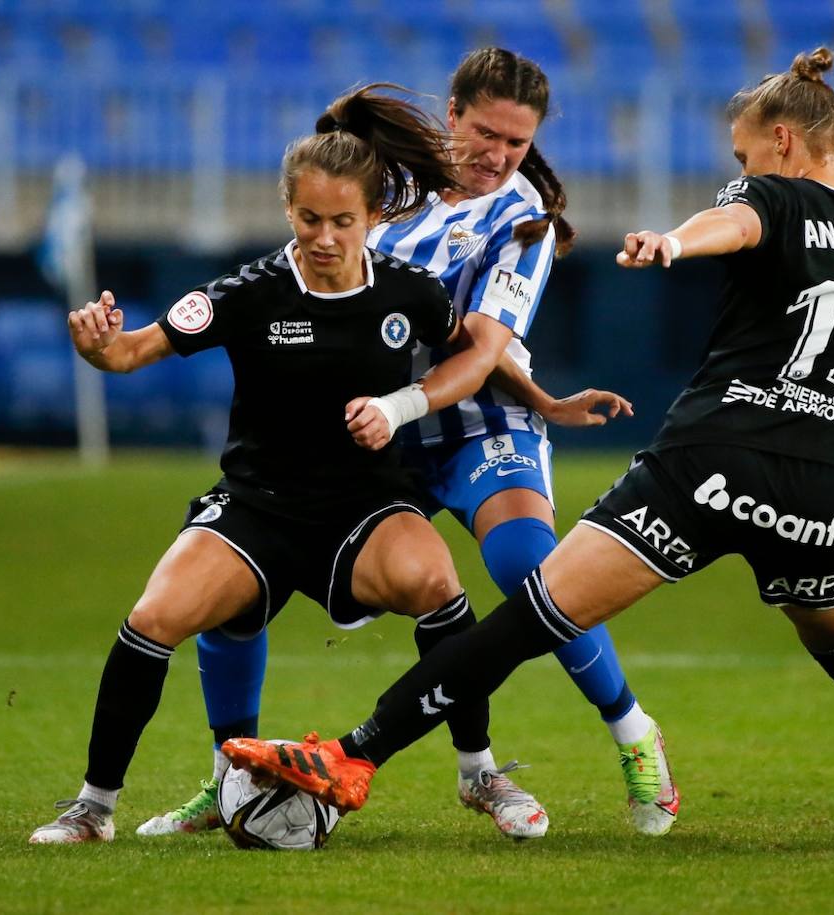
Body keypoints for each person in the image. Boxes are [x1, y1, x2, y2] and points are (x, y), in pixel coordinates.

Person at [222, 49, 834, 850]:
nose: (741, 169)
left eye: (743, 155)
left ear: (782, 144)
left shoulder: (772, 198)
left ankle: (353, 757)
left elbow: (735, 222)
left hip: (714, 462)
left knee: (530, 615)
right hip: (826, 487)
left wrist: (675, 243)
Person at [141, 47, 681, 841]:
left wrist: (511, 403)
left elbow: (481, 349)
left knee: (526, 562)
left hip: (475, 421)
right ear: (453, 114)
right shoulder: (392, 191)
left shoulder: (524, 219)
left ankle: (629, 733)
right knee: (248, 574)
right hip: (379, 437)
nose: (499, 156)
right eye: (487, 134)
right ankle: (230, 776)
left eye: (518, 143)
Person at [29, 83, 559, 844]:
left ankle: (479, 770)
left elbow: (474, 358)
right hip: (258, 505)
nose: (325, 236)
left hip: (365, 506)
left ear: (374, 216)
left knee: (439, 583)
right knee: (152, 619)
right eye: (309, 218)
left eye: (343, 220)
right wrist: (97, 344)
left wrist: (510, 399)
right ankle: (93, 806)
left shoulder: (411, 293)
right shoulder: (248, 293)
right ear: (289, 212)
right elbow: (131, 349)